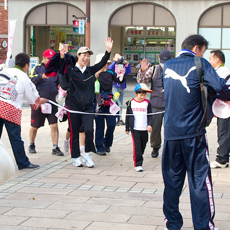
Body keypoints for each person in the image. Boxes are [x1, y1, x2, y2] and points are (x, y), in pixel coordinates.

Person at [162, 34, 228, 230]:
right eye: (204, 51)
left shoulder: (168, 65)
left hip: (171, 133)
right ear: (197, 48)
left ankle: (172, 223)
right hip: (194, 133)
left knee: (172, 180)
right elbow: (219, 86)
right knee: (200, 180)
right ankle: (203, 225)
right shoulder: (200, 63)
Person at [59, 37, 113, 168]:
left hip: (88, 106)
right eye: (84, 55)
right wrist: (61, 56)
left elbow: (102, 63)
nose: (86, 58)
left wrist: (108, 51)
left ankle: (87, 153)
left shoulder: (90, 70)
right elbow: (61, 69)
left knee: (89, 130)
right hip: (73, 107)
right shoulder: (71, 70)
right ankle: (76, 156)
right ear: (78, 56)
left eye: (88, 56)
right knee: (74, 132)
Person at [0, 52, 46, 170]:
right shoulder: (24, 77)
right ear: (26, 65)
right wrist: (39, 102)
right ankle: (22, 163)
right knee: (15, 138)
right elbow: (32, 97)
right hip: (10, 109)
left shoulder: (4, 71)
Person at [29, 49, 64, 156]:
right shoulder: (37, 68)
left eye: (52, 58)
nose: (50, 61)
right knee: (35, 125)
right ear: (43, 58)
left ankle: (55, 146)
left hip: (52, 102)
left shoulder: (56, 70)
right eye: (48, 58)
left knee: (54, 125)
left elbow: (60, 82)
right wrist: (42, 76)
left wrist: (61, 88)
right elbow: (30, 80)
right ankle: (31, 144)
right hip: (39, 102)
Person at [137, 50, 172, 158]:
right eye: (162, 62)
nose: (163, 64)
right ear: (158, 59)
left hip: (170, 104)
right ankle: (155, 147)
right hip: (156, 104)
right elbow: (141, 81)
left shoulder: (174, 69)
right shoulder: (153, 69)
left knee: (170, 128)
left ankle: (170, 148)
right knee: (155, 128)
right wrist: (142, 71)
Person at [94, 53, 125, 156]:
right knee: (100, 126)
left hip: (110, 100)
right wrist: (95, 76)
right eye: (103, 63)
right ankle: (99, 146)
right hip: (98, 101)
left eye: (106, 63)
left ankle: (107, 143)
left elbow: (119, 80)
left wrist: (122, 73)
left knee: (112, 124)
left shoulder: (111, 72)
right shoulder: (93, 73)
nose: (105, 65)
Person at [209, 50, 230, 168]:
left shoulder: (221, 72)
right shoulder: (221, 71)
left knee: (224, 133)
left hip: (225, 109)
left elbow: (218, 89)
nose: (209, 61)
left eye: (210, 58)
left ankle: (222, 159)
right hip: (223, 107)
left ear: (217, 60)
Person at [125, 83, 152, 172]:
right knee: (137, 146)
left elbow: (150, 115)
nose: (142, 96)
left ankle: (138, 155)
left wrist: (149, 124)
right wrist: (127, 128)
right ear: (135, 93)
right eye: (140, 94)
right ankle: (138, 164)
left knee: (143, 144)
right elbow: (128, 116)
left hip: (144, 128)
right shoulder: (131, 103)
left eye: (144, 94)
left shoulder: (147, 103)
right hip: (135, 129)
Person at [108, 53, 131, 126]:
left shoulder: (122, 65)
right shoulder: (113, 66)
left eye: (120, 58)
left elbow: (128, 72)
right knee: (115, 102)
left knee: (120, 103)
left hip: (121, 86)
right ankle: (114, 118)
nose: (119, 59)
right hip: (114, 86)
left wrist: (127, 65)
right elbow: (109, 68)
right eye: (117, 58)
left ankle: (120, 119)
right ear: (114, 58)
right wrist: (115, 62)